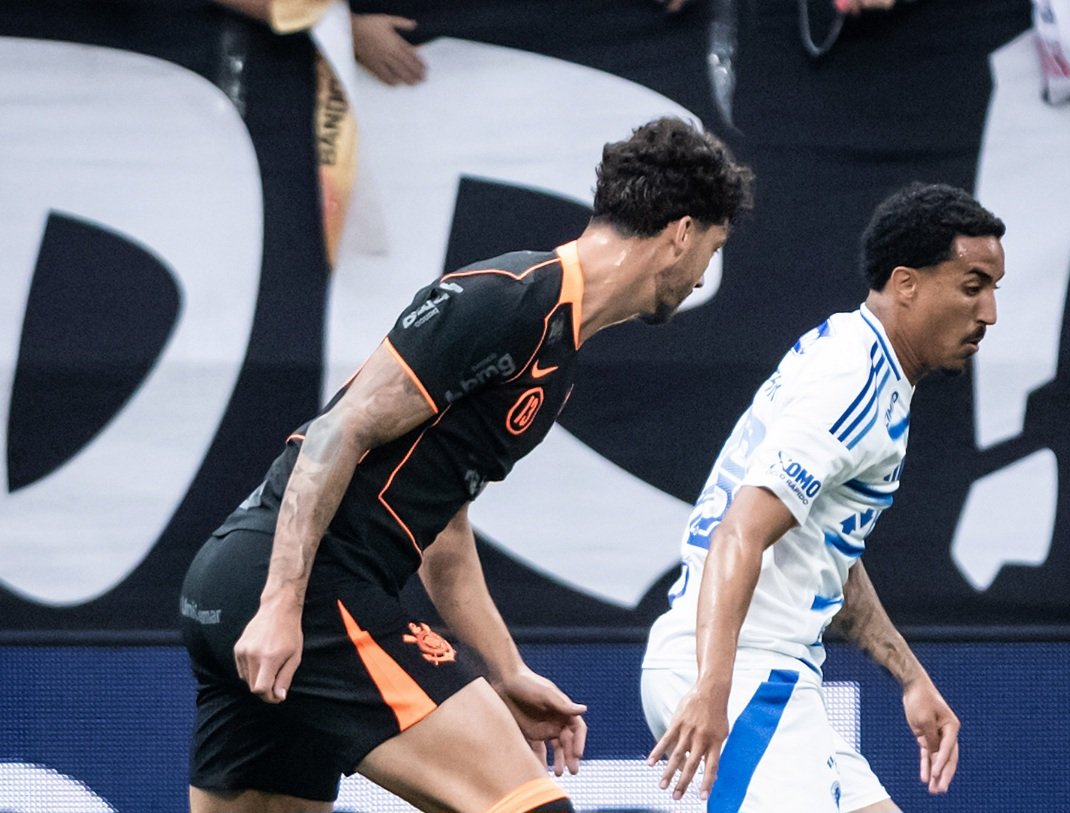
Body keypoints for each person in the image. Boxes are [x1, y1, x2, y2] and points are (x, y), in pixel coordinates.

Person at [180, 116, 753, 813]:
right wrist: (281, 604)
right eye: (712, 249)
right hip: (298, 585)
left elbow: (443, 534)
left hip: (248, 586)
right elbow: (335, 433)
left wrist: (506, 669)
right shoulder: (510, 297)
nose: (701, 278)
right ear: (681, 234)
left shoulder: (557, 355)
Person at [641, 182, 1005, 811]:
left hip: (770, 675)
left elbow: (823, 554)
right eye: (973, 287)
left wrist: (910, 677)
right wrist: (712, 689)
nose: (991, 313)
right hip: (742, 672)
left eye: (995, 289)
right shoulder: (854, 383)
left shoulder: (859, 358)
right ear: (907, 284)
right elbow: (740, 532)